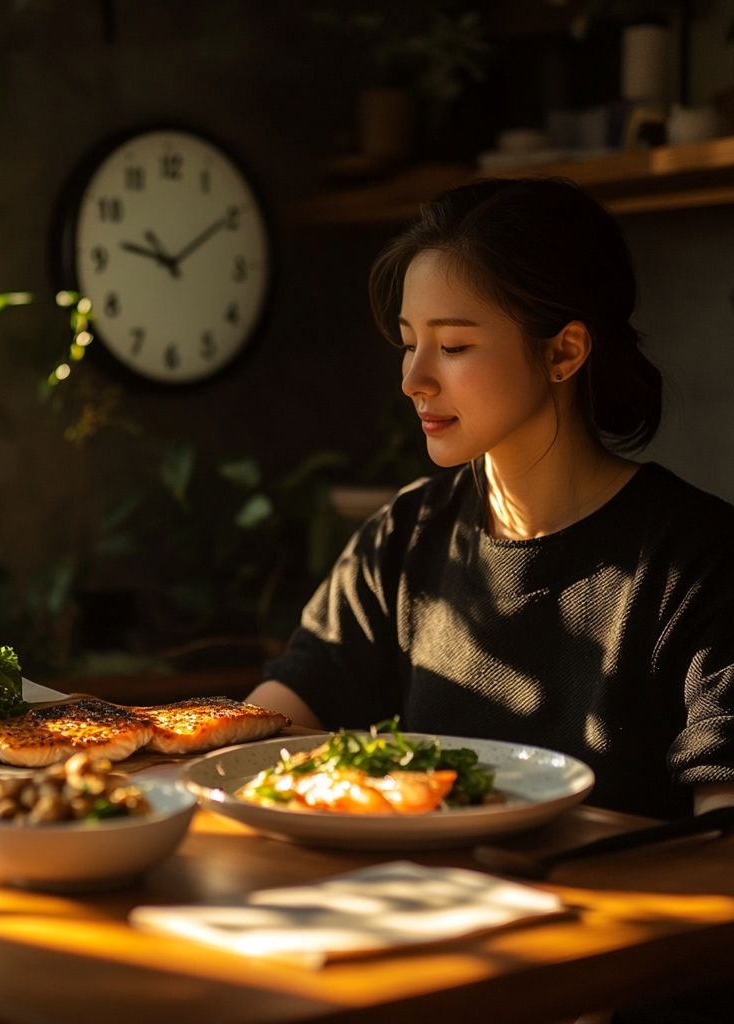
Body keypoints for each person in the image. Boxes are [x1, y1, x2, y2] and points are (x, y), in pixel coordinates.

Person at [248, 177, 734, 1024]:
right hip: (400, 977)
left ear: (564, 352)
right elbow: (274, 727)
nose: (414, 379)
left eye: (455, 345)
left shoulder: (701, 564)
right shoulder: (408, 535)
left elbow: (720, 855)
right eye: (408, 343)